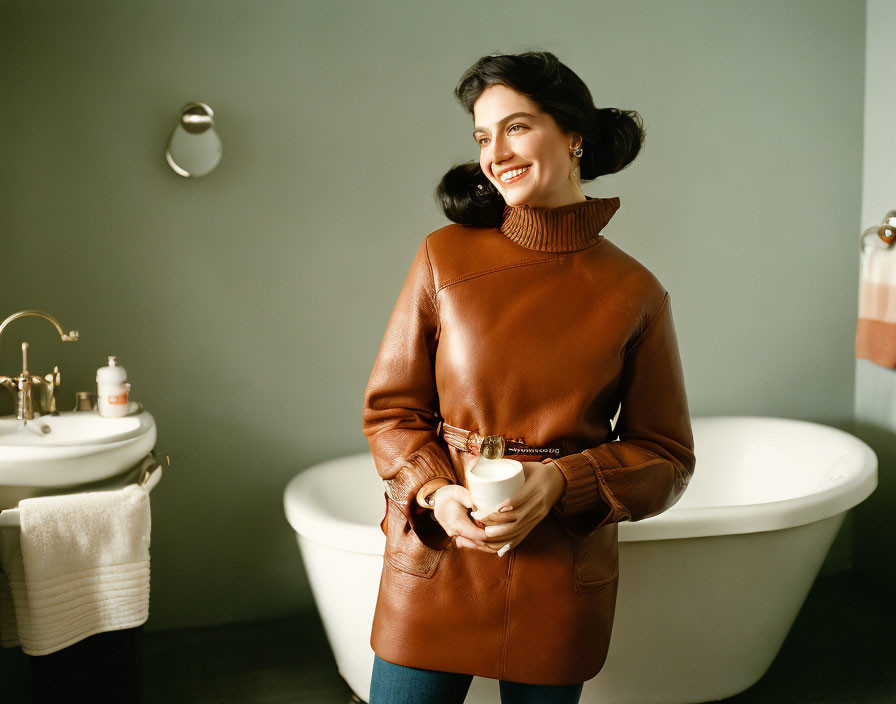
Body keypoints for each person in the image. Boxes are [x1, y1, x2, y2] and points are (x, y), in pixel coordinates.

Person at [361, 50, 696, 704]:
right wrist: (434, 492)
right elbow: (391, 414)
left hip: (558, 575)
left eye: (515, 127)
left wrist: (562, 482)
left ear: (573, 135)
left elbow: (667, 457)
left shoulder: (637, 293)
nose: (494, 153)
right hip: (435, 557)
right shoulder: (442, 255)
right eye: (483, 136)